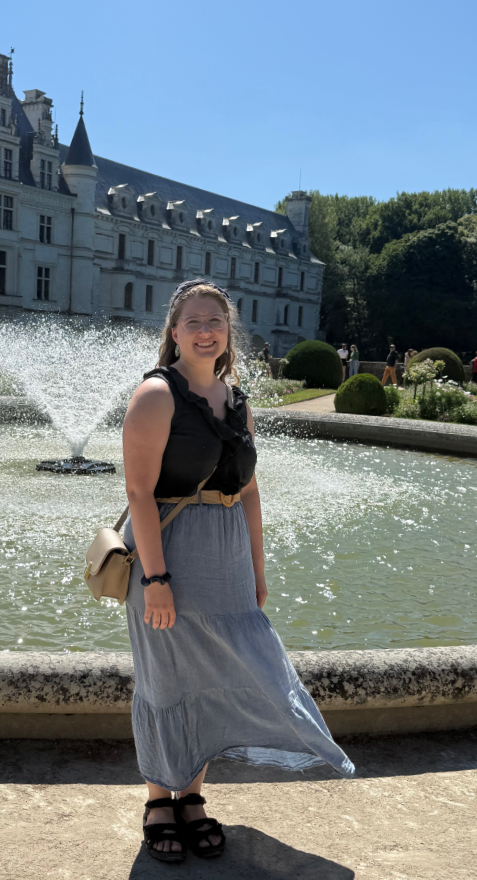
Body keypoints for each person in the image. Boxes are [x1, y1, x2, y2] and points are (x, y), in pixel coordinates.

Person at [121, 279, 354, 864]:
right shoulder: (156, 394)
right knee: (165, 679)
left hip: (225, 553)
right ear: (174, 332)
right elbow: (139, 493)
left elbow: (248, 490)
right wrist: (155, 579)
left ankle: (192, 794)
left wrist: (257, 566)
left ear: (228, 333)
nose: (206, 331)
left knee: (221, 673)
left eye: (216, 322)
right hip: (168, 550)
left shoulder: (238, 398)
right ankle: (158, 799)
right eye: (194, 321)